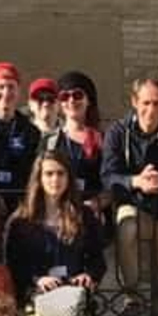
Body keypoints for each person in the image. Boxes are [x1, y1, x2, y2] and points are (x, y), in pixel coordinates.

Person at [101, 75, 158, 316]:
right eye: (146, 102)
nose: (151, 109)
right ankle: (132, 297)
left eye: (157, 103)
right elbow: (108, 175)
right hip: (134, 203)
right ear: (134, 102)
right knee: (127, 226)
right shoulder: (118, 132)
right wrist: (136, 181)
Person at [3, 149, 106, 306]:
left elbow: (97, 259)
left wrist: (88, 275)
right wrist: (37, 280)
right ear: (39, 178)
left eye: (60, 173)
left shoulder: (84, 215)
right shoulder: (21, 220)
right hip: (37, 296)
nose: (55, 179)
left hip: (74, 296)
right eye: (49, 174)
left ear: (68, 177)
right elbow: (14, 264)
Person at [0, 61, 42, 206]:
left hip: (20, 204)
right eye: (1, 86)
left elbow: (32, 172)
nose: (6, 93)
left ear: (18, 92)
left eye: (11, 87)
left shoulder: (30, 131)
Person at [49, 70, 109, 222]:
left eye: (77, 95)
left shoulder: (104, 139)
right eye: (64, 96)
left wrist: (95, 204)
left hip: (94, 213)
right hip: (58, 213)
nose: (71, 101)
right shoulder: (50, 141)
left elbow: (111, 182)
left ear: (88, 100)